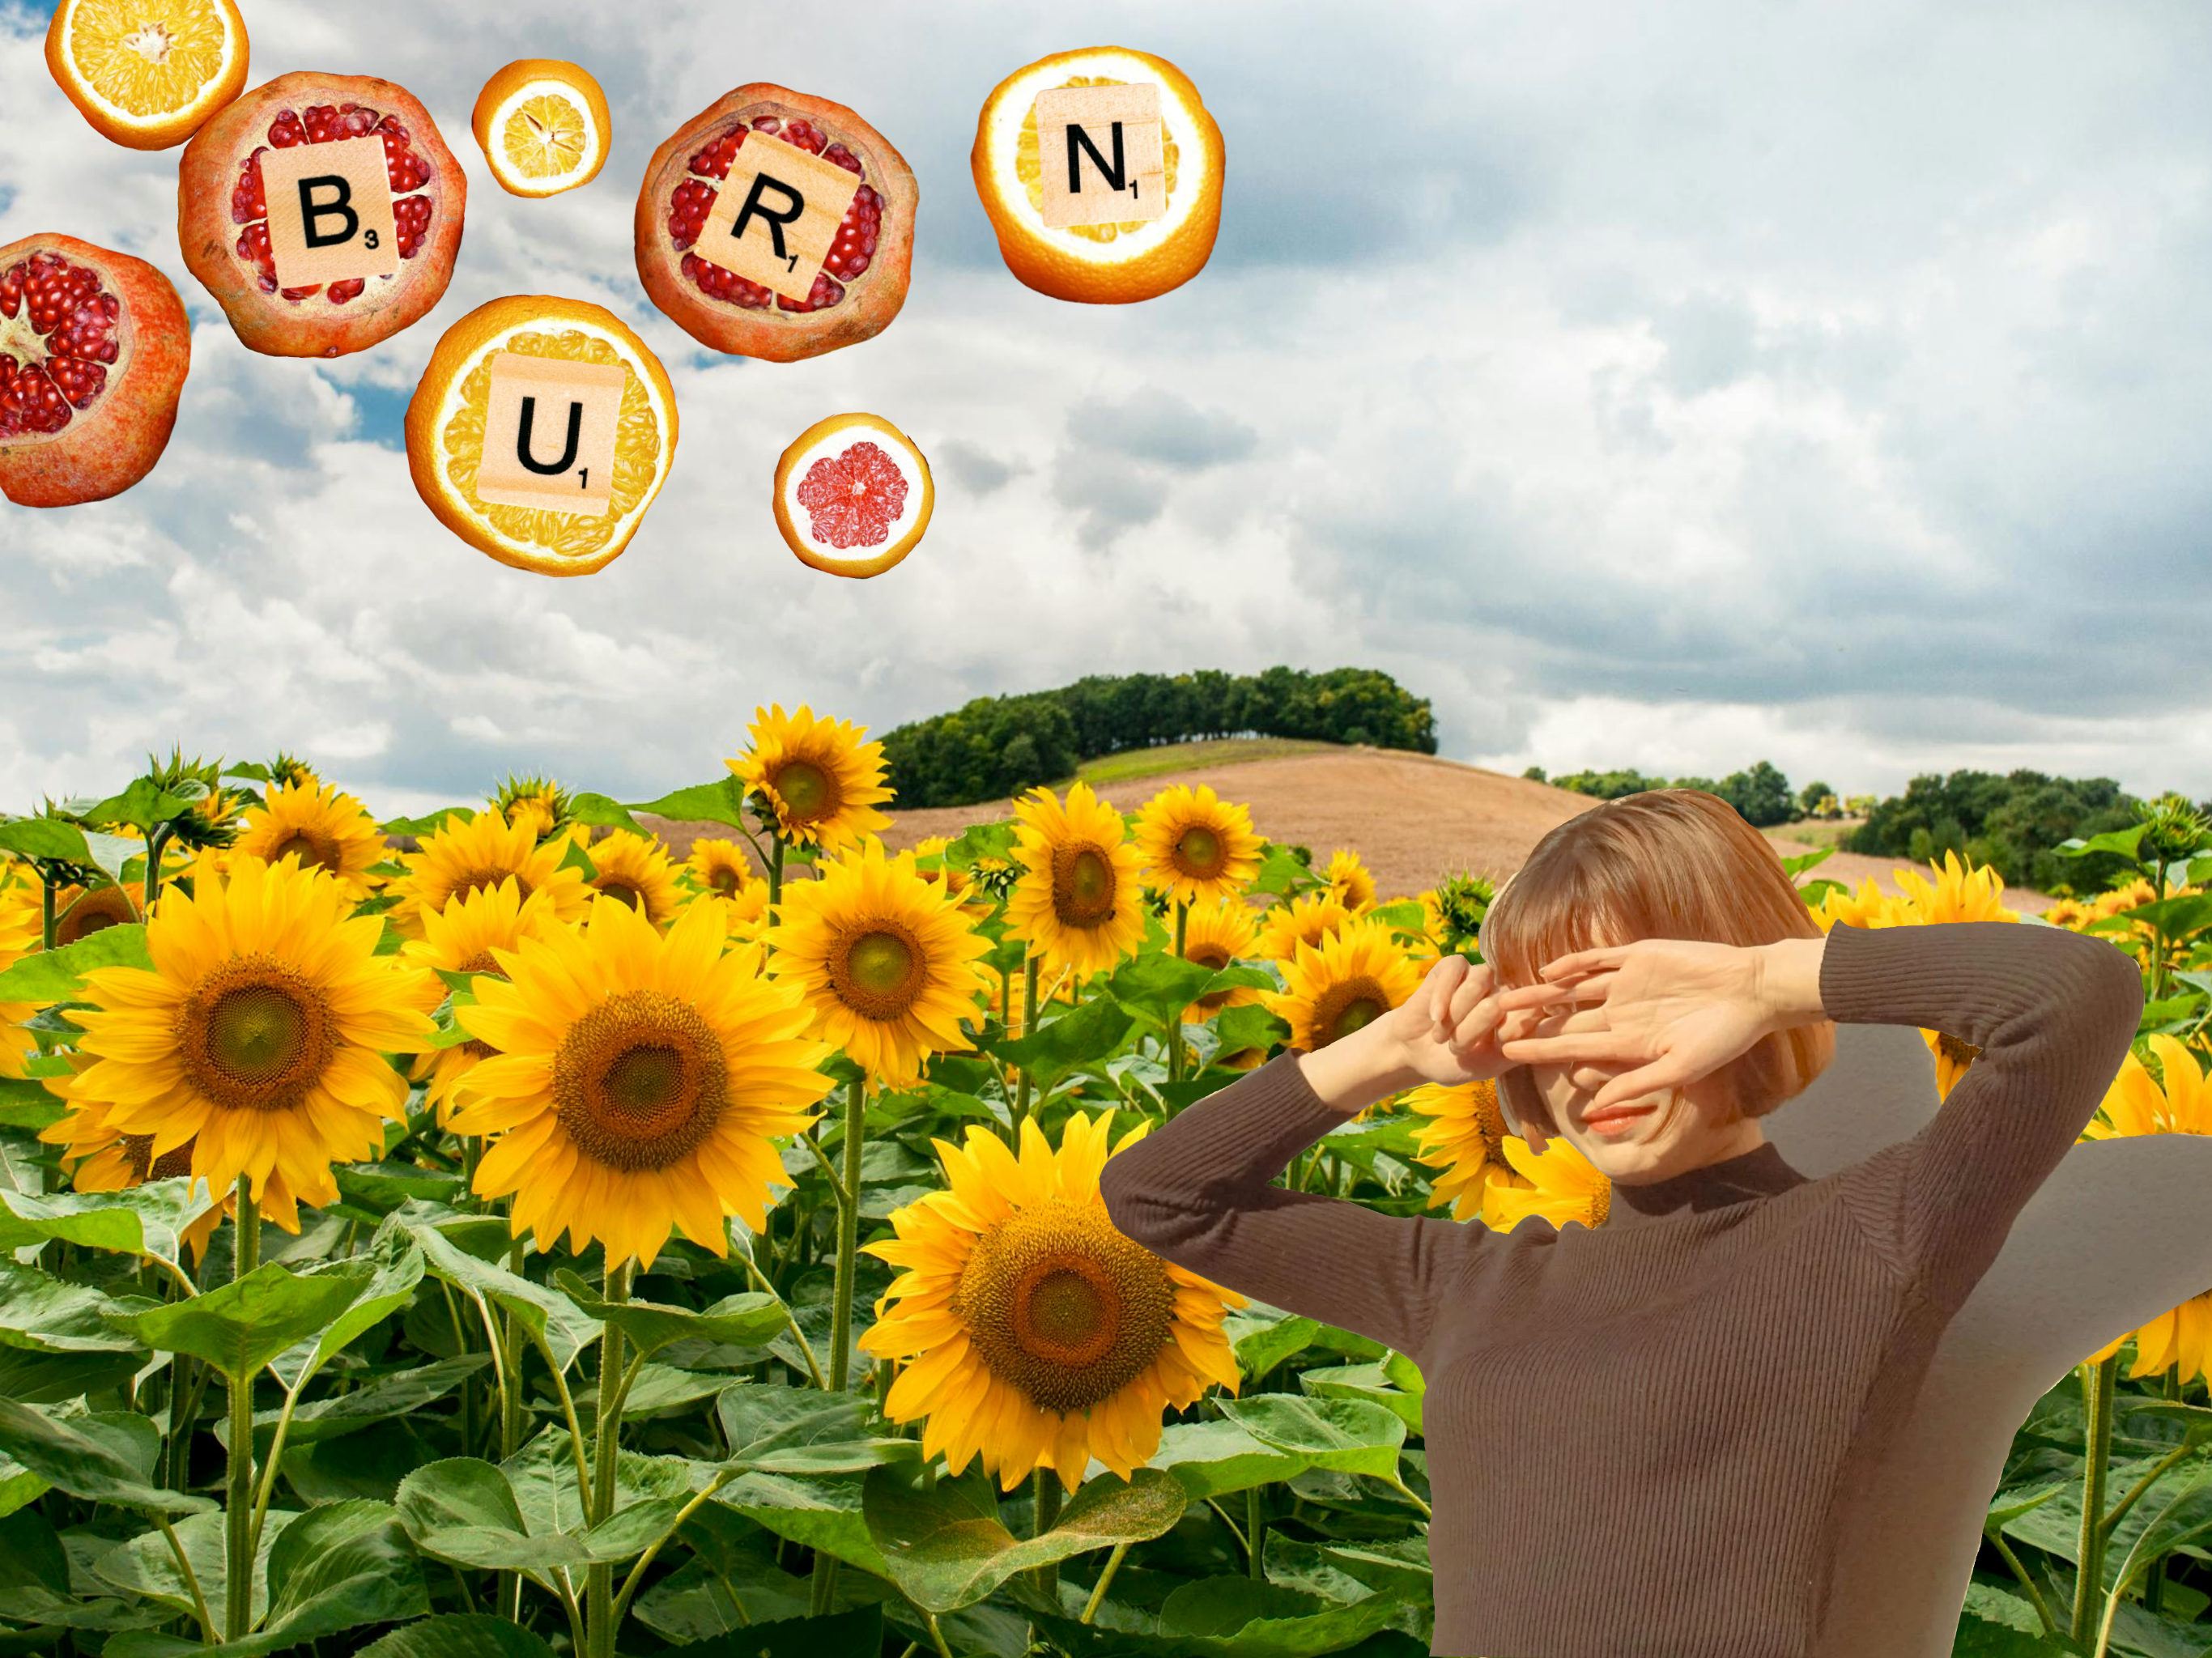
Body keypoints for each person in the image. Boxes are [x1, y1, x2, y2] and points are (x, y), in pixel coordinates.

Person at [1100, 789, 2144, 1658]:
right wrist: (1386, 1050)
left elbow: (2078, 993)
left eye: (1633, 1008)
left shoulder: (1871, 1240)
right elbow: (1159, 1197)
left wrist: (1764, 976)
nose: (1594, 1061)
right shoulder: (1464, 1282)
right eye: (1548, 1027)